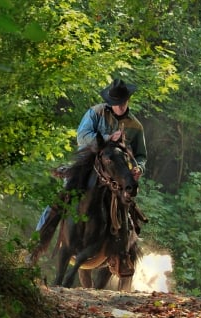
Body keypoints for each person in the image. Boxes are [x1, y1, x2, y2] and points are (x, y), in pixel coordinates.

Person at [35, 78, 147, 231]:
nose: (120, 105)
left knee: (128, 203)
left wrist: (139, 168)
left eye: (122, 101)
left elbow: (141, 155)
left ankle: (127, 245)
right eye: (116, 102)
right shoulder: (95, 112)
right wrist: (108, 138)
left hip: (117, 172)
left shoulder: (136, 126)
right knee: (64, 195)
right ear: (110, 101)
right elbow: (82, 136)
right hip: (88, 164)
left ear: (128, 100)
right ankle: (39, 239)